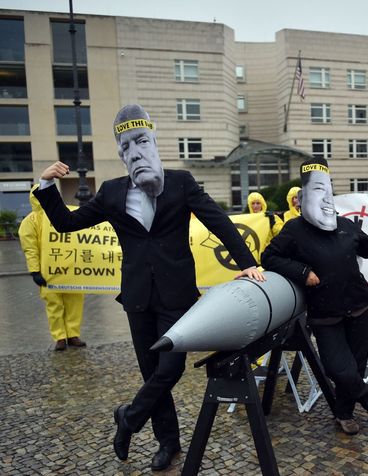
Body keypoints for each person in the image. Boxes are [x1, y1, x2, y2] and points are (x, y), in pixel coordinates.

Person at [33, 104, 264, 471]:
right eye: (127, 146)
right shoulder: (110, 192)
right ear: (122, 154)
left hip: (178, 298)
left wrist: (247, 262)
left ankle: (128, 417)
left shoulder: (180, 182)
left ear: (153, 142)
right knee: (150, 373)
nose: (136, 151)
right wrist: (46, 184)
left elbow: (219, 222)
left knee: (169, 370)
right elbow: (65, 224)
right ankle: (167, 443)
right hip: (137, 299)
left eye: (142, 141)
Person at [262, 157, 368, 435]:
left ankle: (343, 414)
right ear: (303, 197)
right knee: (337, 369)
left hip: (358, 308)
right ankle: (367, 396)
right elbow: (269, 257)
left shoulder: (346, 226)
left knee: (356, 367)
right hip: (325, 315)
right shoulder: (294, 230)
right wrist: (302, 271)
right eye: (314, 192)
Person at [18, 184, 86, 351]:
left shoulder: (64, 215)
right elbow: (30, 248)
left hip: (71, 270)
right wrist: (35, 271)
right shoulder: (30, 221)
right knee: (54, 305)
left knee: (74, 303)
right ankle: (60, 337)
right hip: (48, 273)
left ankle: (73, 335)